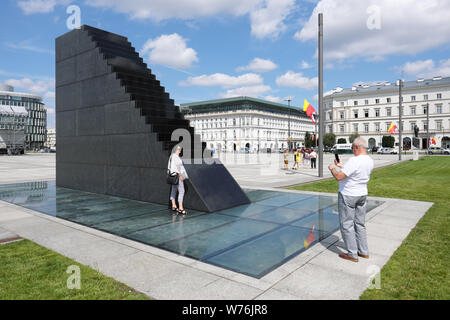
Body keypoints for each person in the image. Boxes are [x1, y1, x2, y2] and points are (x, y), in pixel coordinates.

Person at [328, 137, 374, 262]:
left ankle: (352, 254)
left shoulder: (354, 160)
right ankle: (363, 251)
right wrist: (342, 166)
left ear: (357, 147)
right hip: (362, 194)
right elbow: (355, 173)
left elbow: (339, 176)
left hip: (348, 194)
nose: (352, 151)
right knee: (359, 223)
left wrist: (332, 168)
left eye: (353, 148)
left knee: (347, 224)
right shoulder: (369, 160)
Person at [168, 145, 189, 215]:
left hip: (173, 176)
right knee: (182, 191)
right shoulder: (175, 156)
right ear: (176, 149)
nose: (180, 150)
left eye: (180, 149)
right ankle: (180, 208)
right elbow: (177, 167)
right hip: (177, 176)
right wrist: (181, 175)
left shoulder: (172, 156)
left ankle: (174, 206)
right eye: (179, 149)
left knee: (173, 190)